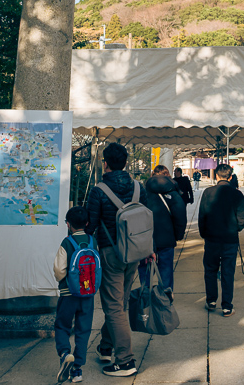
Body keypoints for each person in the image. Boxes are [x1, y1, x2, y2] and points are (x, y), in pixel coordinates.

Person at [85, 142, 147, 377]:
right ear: (126, 163)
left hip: (110, 252)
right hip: (134, 252)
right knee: (120, 303)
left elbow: (90, 226)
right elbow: (145, 220)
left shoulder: (98, 190)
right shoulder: (138, 188)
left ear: (105, 163)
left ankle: (125, 361)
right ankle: (105, 346)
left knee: (113, 306)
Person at [197, 163, 244, 316]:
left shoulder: (208, 192)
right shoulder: (237, 194)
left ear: (216, 175)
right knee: (228, 272)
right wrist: (235, 228)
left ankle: (211, 301)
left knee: (210, 270)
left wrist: (204, 233)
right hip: (230, 239)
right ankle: (227, 306)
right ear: (230, 177)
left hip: (212, 238)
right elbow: (243, 217)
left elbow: (202, 215)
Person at [53, 206, 96, 384]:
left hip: (68, 294)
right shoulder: (92, 241)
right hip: (88, 293)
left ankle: (65, 353)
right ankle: (77, 370)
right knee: (83, 330)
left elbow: (59, 269)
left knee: (62, 326)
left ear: (68, 224)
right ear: (87, 223)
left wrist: (63, 281)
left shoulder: (67, 242)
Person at [140, 165, 187, 292]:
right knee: (166, 270)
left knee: (145, 270)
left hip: (146, 238)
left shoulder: (143, 191)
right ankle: (165, 298)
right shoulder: (172, 193)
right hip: (167, 237)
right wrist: (178, 235)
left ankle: (145, 297)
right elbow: (180, 215)